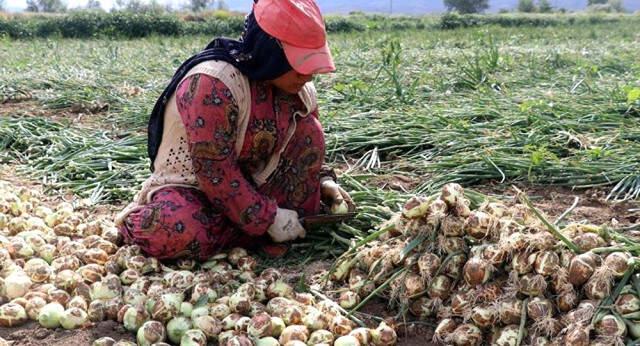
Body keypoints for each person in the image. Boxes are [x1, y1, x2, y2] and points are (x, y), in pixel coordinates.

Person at [115, 0, 353, 260]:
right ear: (270, 53)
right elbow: (214, 171)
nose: (308, 75)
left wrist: (322, 181)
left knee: (310, 130)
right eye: (300, 63)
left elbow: (306, 146)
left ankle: (250, 230)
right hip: (196, 190)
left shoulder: (300, 91)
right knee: (176, 229)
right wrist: (268, 218)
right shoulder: (211, 84)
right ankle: (140, 223)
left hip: (258, 184)